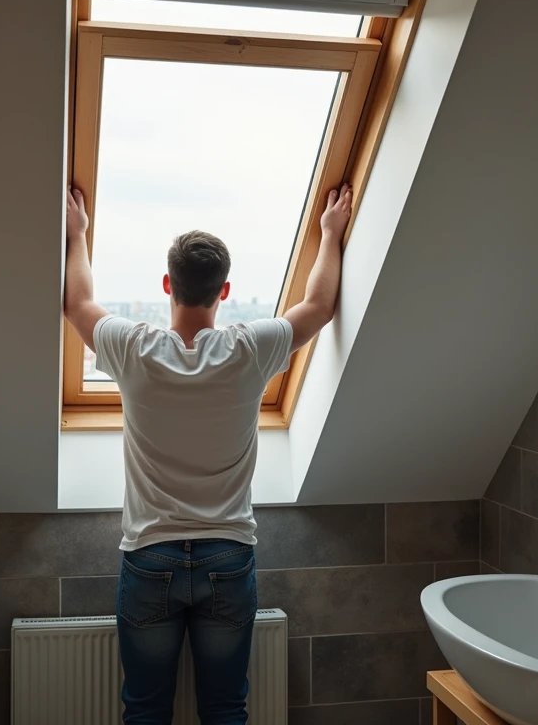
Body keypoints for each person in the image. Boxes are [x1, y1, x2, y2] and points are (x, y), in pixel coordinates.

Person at [62, 182, 353, 725]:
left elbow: (76, 304)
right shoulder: (248, 349)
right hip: (227, 554)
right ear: (223, 291)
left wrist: (77, 235)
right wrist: (331, 233)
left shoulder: (135, 348)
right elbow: (319, 306)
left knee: (145, 711)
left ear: (168, 284)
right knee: (225, 710)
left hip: (150, 556)